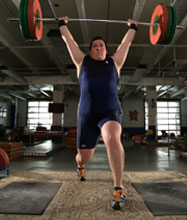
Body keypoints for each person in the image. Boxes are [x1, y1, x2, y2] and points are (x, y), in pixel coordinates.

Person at [58, 16, 137, 210]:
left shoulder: (114, 63)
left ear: (106, 50)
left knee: (112, 138)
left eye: (101, 45)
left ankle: (118, 188)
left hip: (109, 112)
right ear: (90, 50)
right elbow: (70, 42)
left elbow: (126, 43)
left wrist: (133, 27)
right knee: (84, 156)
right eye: (94, 46)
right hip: (87, 115)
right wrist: (62, 25)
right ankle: (80, 166)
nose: (98, 47)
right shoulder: (81, 61)